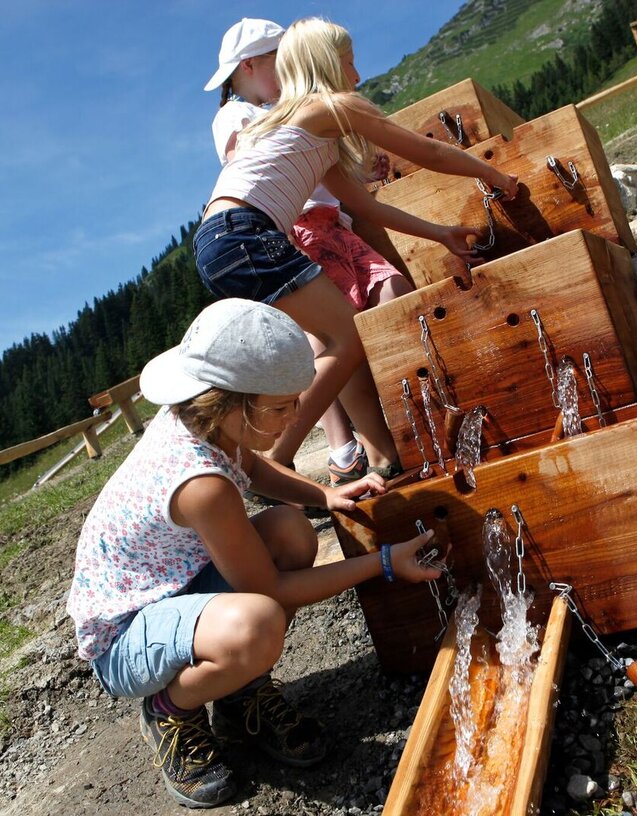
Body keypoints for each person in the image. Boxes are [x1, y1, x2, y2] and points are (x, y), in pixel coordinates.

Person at [66, 298, 442, 809]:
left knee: (292, 530)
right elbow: (270, 590)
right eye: (282, 407)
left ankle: (239, 693)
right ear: (232, 401)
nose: (295, 419)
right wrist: (383, 563)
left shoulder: (209, 420)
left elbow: (257, 467)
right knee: (257, 624)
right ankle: (169, 709)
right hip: (124, 633)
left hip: (176, 585)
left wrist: (323, 494)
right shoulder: (200, 483)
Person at [193, 17, 519, 494]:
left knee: (337, 338)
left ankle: (279, 458)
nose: (358, 76)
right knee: (345, 336)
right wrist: (496, 177)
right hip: (246, 232)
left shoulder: (305, 133)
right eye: (349, 63)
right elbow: (429, 153)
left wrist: (439, 233)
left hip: (218, 239)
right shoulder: (331, 106)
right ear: (327, 65)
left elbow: (365, 205)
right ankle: (270, 460)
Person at [205, 18, 415, 486]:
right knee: (339, 338)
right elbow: (270, 165)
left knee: (356, 324)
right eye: (283, 61)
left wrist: (358, 170)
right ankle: (337, 451)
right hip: (295, 230)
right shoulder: (237, 116)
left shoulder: (284, 110)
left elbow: (319, 171)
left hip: (324, 224)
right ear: (251, 65)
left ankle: (381, 445)